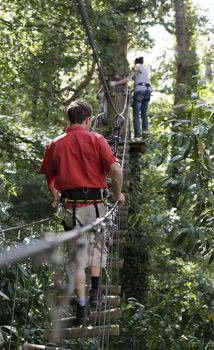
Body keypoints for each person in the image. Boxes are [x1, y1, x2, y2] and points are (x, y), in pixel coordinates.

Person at [39, 100, 125, 325]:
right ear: (88, 120)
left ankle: (82, 307)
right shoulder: (97, 139)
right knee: (97, 245)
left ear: (70, 119)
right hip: (96, 205)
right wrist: (118, 194)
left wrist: (55, 196)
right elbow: (115, 169)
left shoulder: (55, 144)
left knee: (77, 257)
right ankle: (96, 290)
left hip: (70, 207)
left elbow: (50, 177)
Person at [111, 57, 151, 141]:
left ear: (136, 62)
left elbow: (128, 79)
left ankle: (137, 137)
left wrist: (115, 83)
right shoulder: (145, 69)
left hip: (139, 91)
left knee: (136, 114)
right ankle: (146, 136)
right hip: (148, 91)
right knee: (144, 115)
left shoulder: (136, 67)